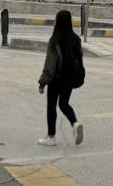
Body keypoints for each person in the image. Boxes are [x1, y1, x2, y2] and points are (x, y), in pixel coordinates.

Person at [36, 9, 84, 147]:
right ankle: (75, 123)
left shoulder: (54, 40)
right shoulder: (76, 39)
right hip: (70, 78)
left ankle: (51, 137)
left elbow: (50, 64)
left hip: (56, 79)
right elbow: (79, 60)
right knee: (64, 104)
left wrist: (42, 83)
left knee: (52, 106)